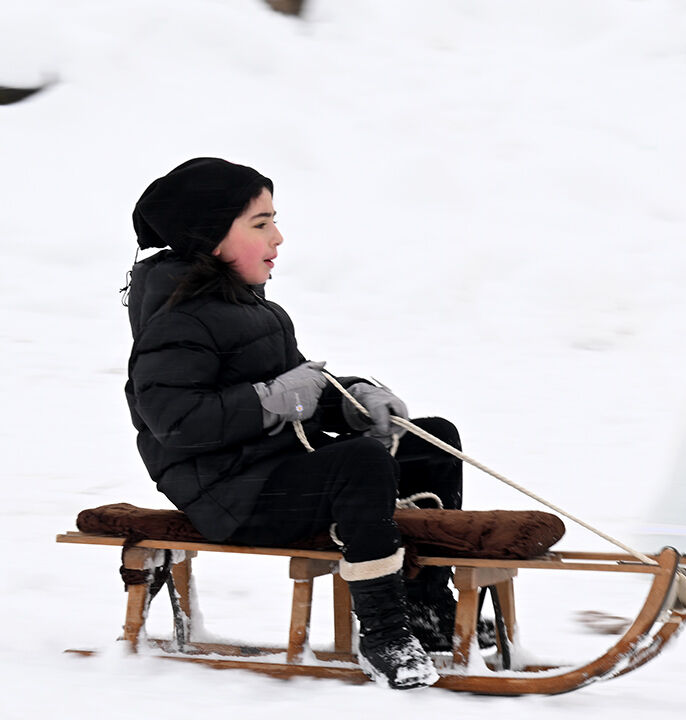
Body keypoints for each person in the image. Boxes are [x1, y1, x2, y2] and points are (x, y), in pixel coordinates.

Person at [124, 157, 485, 689]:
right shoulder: (176, 321)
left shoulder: (253, 309)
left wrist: (354, 400)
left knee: (432, 440)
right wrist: (270, 400)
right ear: (211, 239)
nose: (279, 236)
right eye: (261, 223)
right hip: (229, 494)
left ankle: (427, 605)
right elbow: (175, 423)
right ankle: (385, 630)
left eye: (275, 220)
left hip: (275, 469)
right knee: (359, 462)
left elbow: (302, 392)